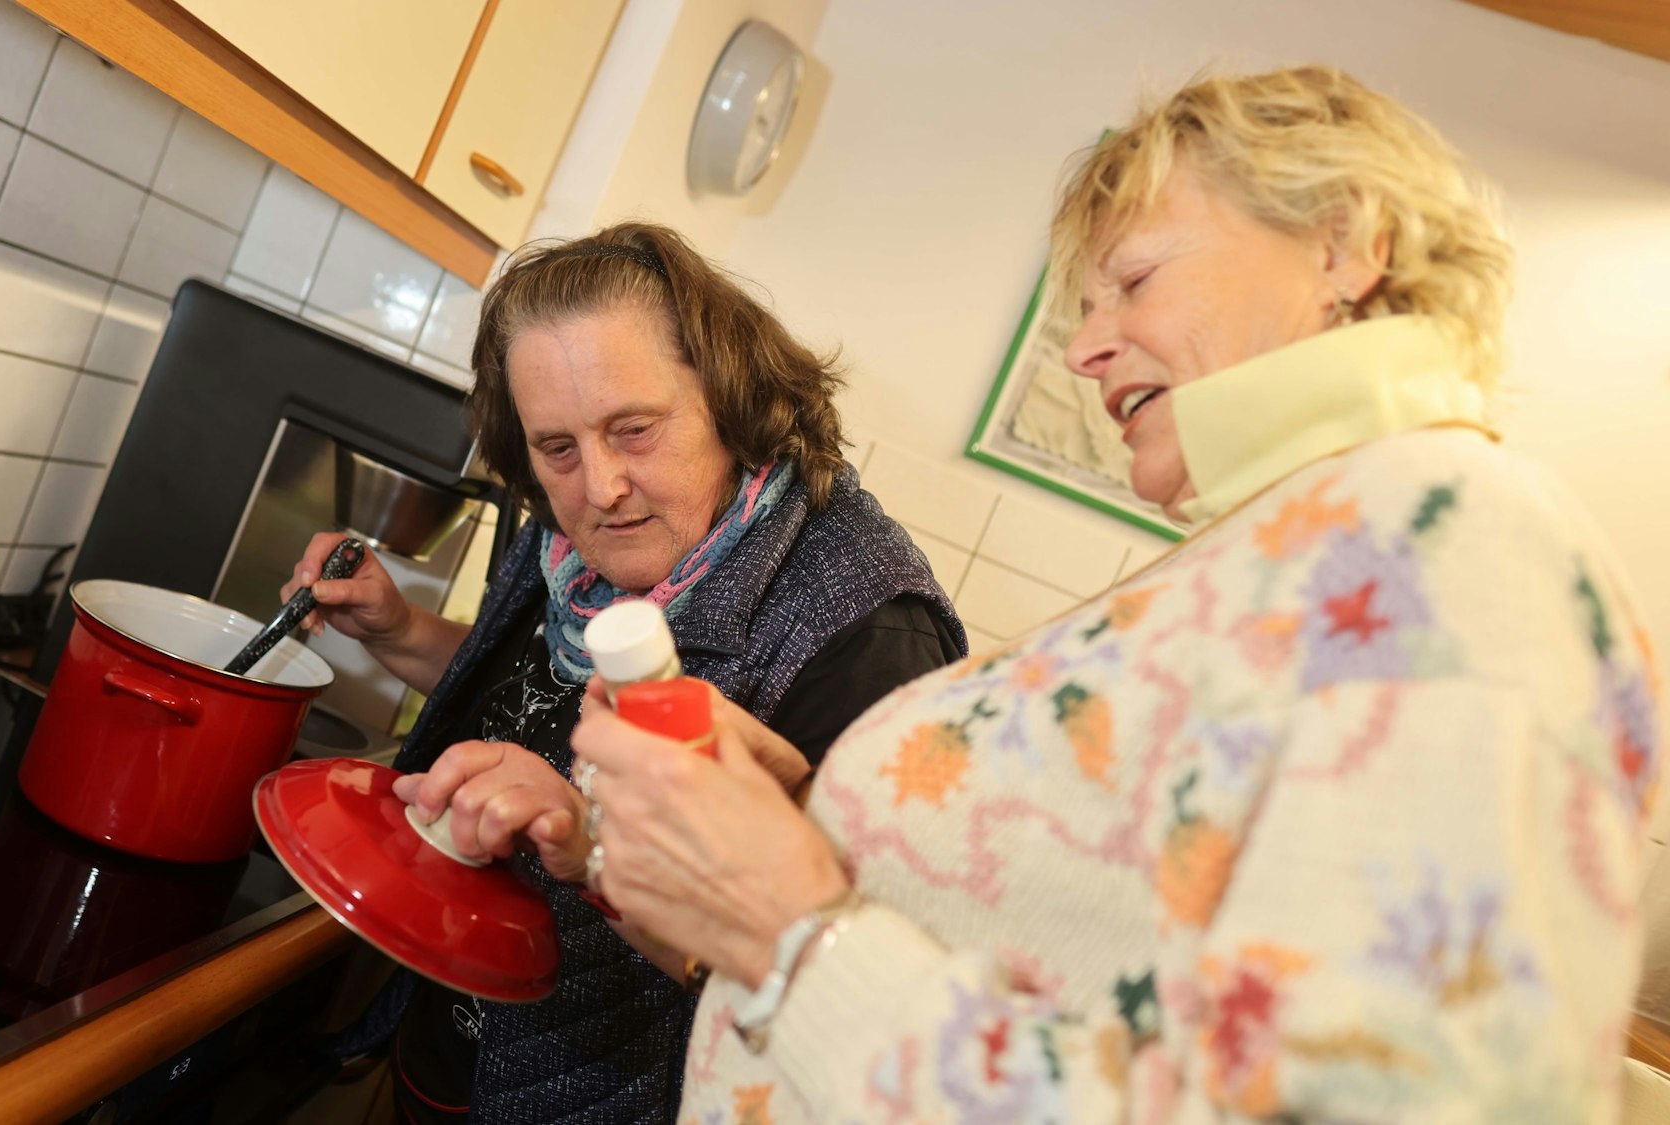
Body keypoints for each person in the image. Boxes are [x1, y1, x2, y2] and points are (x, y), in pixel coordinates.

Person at [569, 66, 1662, 1121]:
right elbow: (1114, 937)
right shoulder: (1305, 538)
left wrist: (793, 933)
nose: (1086, 349)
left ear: (1344, 242)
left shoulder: (1457, 537)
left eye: (1133, 280)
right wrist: (803, 817)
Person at [282, 222, 966, 1123]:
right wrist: (399, 629)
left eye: (634, 430)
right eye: (557, 448)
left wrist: (588, 834)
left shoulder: (867, 627)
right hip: (451, 1048)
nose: (600, 485)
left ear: (727, 397)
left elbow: (832, 972)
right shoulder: (572, 537)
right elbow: (527, 696)